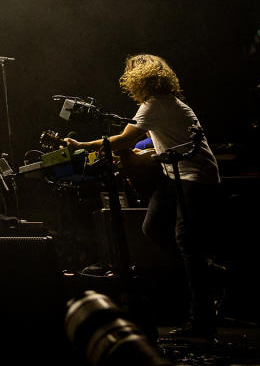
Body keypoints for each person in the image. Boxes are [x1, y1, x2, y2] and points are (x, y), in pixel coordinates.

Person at [65, 54, 221, 337]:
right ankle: (204, 267)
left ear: (139, 80)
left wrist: (81, 144)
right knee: (153, 228)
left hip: (194, 178)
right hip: (175, 176)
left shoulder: (153, 105)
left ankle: (202, 317)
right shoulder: (166, 105)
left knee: (184, 239)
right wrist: (149, 151)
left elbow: (125, 139)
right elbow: (158, 139)